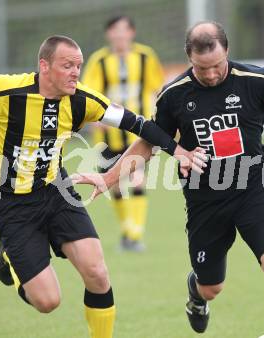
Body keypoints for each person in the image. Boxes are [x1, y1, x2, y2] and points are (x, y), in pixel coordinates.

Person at [72, 22, 264, 337]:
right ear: (189, 59)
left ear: (227, 52)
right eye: (202, 69)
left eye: (217, 66)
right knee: (211, 286)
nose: (211, 74)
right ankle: (196, 294)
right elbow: (150, 141)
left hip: (252, 190)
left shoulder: (256, 80)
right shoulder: (174, 94)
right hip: (204, 200)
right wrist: (109, 177)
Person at [0, 35, 206, 338]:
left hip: (57, 190)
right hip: (10, 203)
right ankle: (8, 255)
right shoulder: (4, 92)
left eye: (78, 66)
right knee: (48, 302)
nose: (76, 72)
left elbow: (138, 124)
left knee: (98, 273)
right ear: (44, 66)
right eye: (67, 66)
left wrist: (177, 150)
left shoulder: (82, 100)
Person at [82, 15, 165, 251]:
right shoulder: (99, 61)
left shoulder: (145, 56)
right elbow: (90, 92)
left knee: (137, 178)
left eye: (124, 30)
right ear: (108, 34)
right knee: (115, 184)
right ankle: (127, 231)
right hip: (107, 135)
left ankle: (134, 234)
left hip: (137, 134)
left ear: (132, 33)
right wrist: (93, 118)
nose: (119, 35)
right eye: (115, 31)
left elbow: (158, 88)